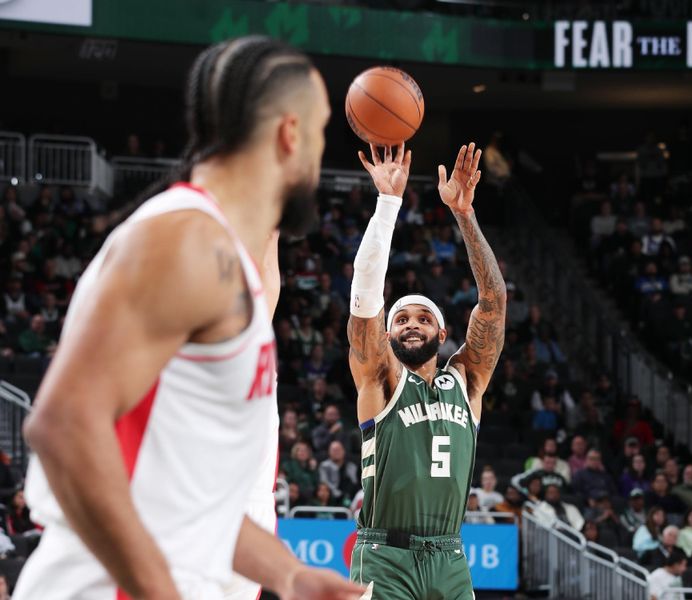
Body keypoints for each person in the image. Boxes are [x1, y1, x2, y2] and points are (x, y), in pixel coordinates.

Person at [15, 37, 364, 600]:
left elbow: (185, 498)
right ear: (290, 134)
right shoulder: (185, 242)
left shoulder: (222, 260)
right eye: (323, 134)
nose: (320, 161)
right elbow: (62, 427)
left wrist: (287, 574)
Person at [347, 142, 506, 599]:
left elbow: (494, 304)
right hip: (385, 556)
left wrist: (464, 214)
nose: (411, 324)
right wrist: (388, 203)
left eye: (423, 318)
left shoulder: (467, 381)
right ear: (387, 333)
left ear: (442, 332)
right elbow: (363, 297)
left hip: (450, 557)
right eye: (400, 319)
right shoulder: (380, 380)